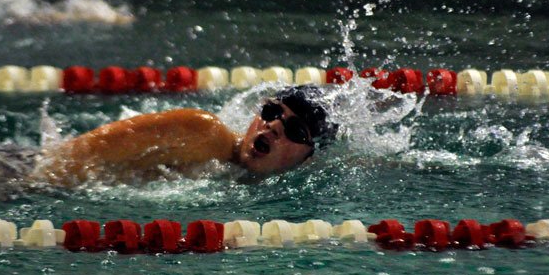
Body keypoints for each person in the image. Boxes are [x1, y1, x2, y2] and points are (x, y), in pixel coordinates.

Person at [30, 85, 338, 186]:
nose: (273, 127)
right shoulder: (202, 132)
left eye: (295, 131)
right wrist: (32, 184)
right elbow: (74, 156)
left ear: (309, 158)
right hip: (21, 173)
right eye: (271, 113)